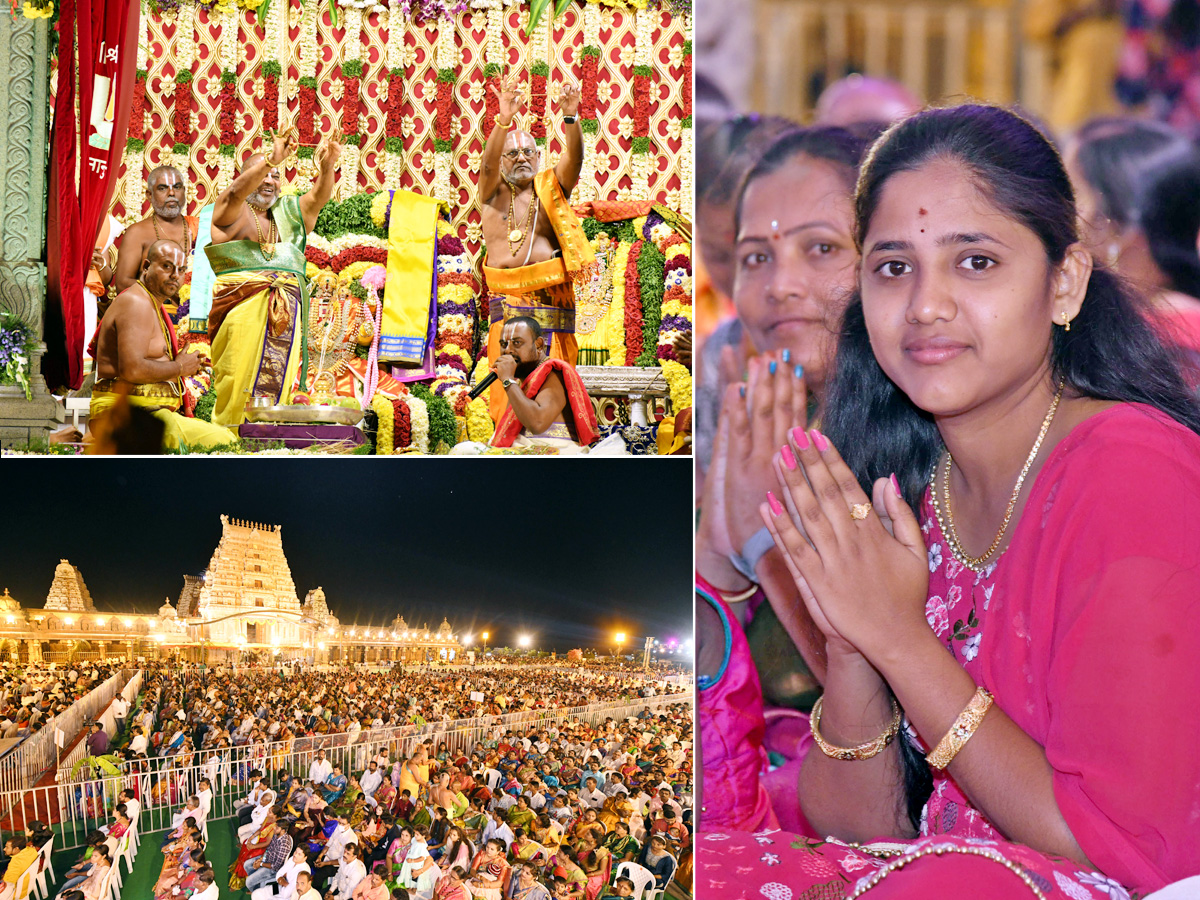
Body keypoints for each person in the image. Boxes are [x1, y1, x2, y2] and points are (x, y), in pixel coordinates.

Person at [699, 103, 1200, 898]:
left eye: (975, 262)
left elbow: (1132, 854)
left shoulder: (1134, 470)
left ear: (1063, 282)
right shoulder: (910, 474)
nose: (926, 306)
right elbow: (858, 833)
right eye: (894, 268)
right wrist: (856, 646)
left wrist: (899, 638)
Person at [206, 129, 342, 426]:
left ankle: (266, 444)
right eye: (263, 174)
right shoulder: (232, 211)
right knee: (238, 385)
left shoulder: (289, 214)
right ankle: (228, 443)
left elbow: (318, 199)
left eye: (276, 176)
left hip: (284, 321)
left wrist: (328, 165)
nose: (269, 180)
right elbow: (235, 192)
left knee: (277, 388)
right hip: (240, 317)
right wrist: (270, 160)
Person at [479, 72, 594, 424]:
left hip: (551, 314)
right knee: (506, 407)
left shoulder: (551, 187)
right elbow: (486, 164)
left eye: (529, 152)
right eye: (512, 153)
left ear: (538, 156)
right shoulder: (492, 194)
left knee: (551, 406)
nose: (521, 158)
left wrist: (571, 117)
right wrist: (503, 119)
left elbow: (573, 161)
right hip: (507, 314)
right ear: (502, 160)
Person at [88, 239, 236, 452]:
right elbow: (132, 369)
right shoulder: (136, 303)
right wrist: (180, 368)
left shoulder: (150, 303)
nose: (175, 275)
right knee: (226, 442)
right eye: (167, 266)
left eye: (181, 269)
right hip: (127, 416)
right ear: (147, 266)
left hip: (148, 414)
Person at [488, 317, 599, 451]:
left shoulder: (554, 373)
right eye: (503, 344)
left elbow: (538, 423)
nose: (508, 350)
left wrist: (508, 381)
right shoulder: (518, 383)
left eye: (517, 343)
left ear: (539, 345)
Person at [114, 166, 200, 303]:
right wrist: (170, 293)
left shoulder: (200, 228)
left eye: (177, 187)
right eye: (162, 188)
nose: (171, 193)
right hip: (152, 315)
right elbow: (123, 284)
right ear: (149, 194)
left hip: (197, 316)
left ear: (184, 191)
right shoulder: (137, 232)